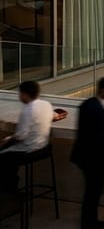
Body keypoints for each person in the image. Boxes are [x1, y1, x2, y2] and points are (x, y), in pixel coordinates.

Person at [71, 76, 104, 229]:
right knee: (93, 192)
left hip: (85, 156)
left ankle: (90, 222)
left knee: (91, 192)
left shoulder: (88, 104)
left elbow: (96, 129)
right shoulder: (97, 108)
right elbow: (99, 135)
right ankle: (89, 223)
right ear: (103, 89)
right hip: (94, 158)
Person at [0, 81, 54, 212]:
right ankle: (12, 189)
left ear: (24, 94)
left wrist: (5, 142)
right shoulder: (46, 104)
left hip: (29, 150)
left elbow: (20, 136)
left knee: (3, 157)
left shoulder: (27, 110)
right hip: (44, 147)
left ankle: (9, 195)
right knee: (9, 159)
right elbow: (52, 117)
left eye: (20, 94)